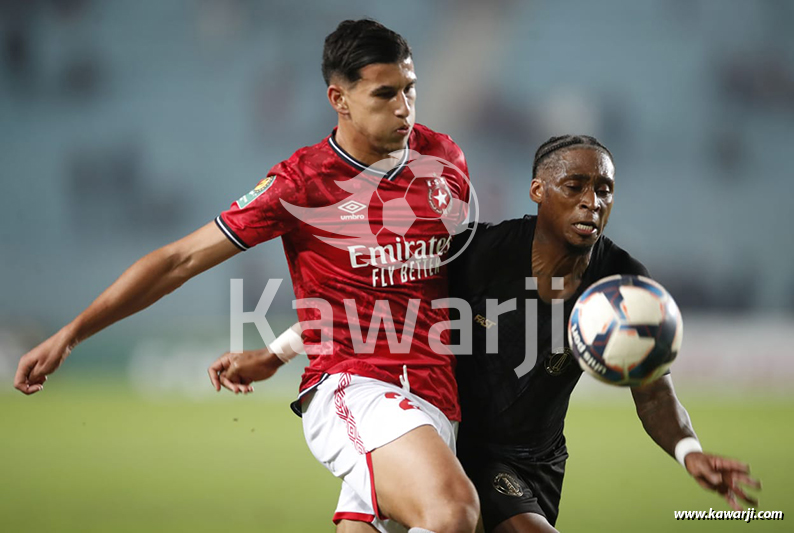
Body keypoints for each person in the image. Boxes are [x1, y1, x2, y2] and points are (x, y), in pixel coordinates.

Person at [14, 19, 480, 533]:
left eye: (410, 89)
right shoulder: (303, 183)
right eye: (384, 94)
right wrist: (71, 334)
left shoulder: (444, 161)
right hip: (354, 386)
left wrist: (277, 351)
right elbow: (179, 260)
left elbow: (408, 292)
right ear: (339, 99)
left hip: (436, 393)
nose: (404, 107)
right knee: (452, 513)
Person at [221, 135, 760, 532]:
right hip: (439, 437)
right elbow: (370, 307)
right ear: (538, 191)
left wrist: (690, 451)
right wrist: (275, 354)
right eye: (575, 186)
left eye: (605, 189)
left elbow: (654, 392)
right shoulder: (479, 254)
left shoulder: (622, 286)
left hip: (534, 460)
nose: (592, 202)